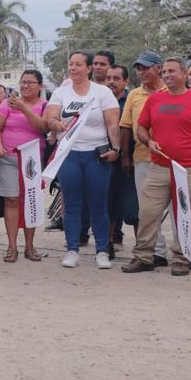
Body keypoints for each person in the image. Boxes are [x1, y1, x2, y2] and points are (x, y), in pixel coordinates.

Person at [122, 58, 191, 277]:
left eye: (172, 71)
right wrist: (148, 141)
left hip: (189, 169)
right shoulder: (155, 100)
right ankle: (143, 257)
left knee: (185, 215)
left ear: (184, 73)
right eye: (164, 71)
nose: (167, 75)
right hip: (159, 167)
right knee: (147, 213)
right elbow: (141, 127)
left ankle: (181, 258)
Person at [46, 52, 122, 269]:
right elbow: (50, 117)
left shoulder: (102, 92)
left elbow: (112, 124)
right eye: (71, 64)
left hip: (96, 155)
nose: (73, 68)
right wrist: (55, 123)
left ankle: (102, 251)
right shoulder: (61, 92)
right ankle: (72, 250)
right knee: (71, 204)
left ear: (88, 69)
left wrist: (116, 148)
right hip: (69, 155)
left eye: (78, 64)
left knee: (99, 205)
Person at [0, 69, 49, 262]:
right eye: (23, 81)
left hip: (32, 161)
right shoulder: (8, 103)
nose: (25, 85)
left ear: (40, 86)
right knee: (11, 200)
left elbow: (43, 127)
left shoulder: (45, 105)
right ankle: (12, 247)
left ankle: (30, 247)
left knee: (30, 201)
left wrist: (24, 108)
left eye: (30, 82)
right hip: (8, 159)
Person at [119, 51, 170, 266]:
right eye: (139, 69)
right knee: (148, 209)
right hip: (142, 157)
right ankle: (157, 252)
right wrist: (126, 157)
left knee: (178, 209)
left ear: (159, 68)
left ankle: (185, 250)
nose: (141, 72)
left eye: (146, 68)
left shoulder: (173, 90)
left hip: (173, 158)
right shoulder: (134, 95)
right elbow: (126, 127)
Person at [104, 64, 136, 256]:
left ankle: (142, 248)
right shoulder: (99, 99)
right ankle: (107, 244)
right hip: (105, 160)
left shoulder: (132, 100)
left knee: (133, 208)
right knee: (108, 204)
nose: (111, 82)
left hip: (129, 162)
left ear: (126, 81)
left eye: (116, 78)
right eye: (108, 78)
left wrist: (126, 156)